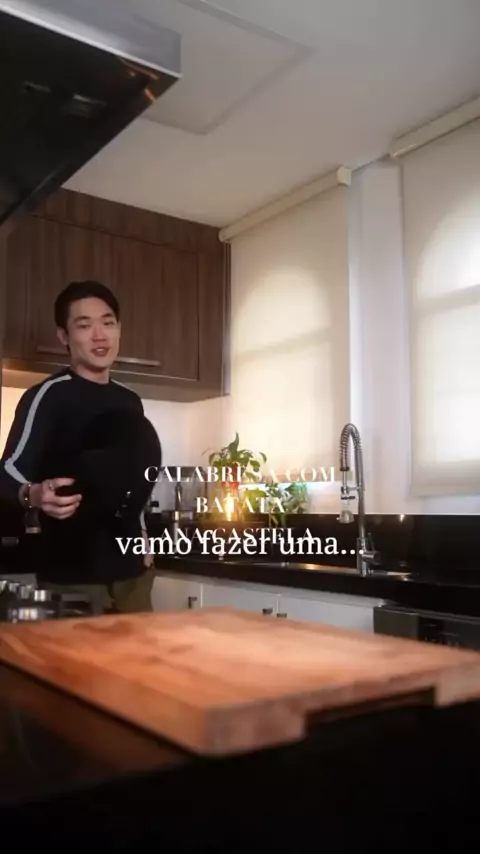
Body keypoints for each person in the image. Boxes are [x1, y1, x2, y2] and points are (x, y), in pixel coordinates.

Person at [0, 280, 160, 614]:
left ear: (119, 329)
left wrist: (143, 531)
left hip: (134, 576)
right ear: (64, 336)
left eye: (108, 323)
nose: (100, 336)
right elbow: (7, 472)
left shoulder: (130, 401)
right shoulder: (48, 396)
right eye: (84, 326)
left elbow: (133, 479)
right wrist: (33, 494)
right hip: (73, 579)